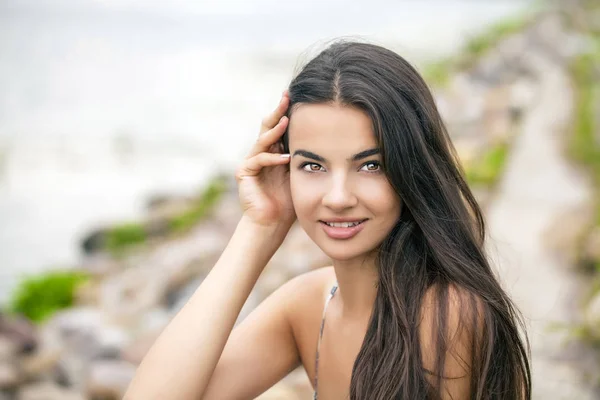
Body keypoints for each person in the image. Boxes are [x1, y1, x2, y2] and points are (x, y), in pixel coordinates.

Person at [124, 40, 531, 400]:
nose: (338, 198)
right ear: (285, 169)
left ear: (412, 169)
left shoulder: (449, 315)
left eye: (370, 165)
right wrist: (259, 227)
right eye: (313, 166)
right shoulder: (308, 305)